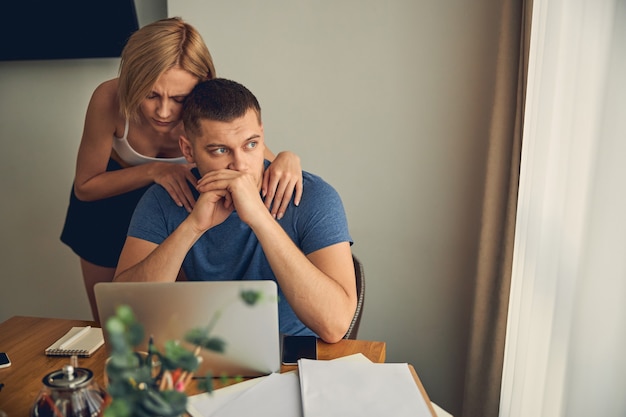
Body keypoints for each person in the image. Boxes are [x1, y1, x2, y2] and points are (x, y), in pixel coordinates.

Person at [60, 18, 303, 322]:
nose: (164, 112)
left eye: (178, 99)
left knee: (170, 319)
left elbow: (253, 156)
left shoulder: (206, 108)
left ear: (201, 85)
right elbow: (85, 186)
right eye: (151, 95)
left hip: (170, 207)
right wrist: (154, 171)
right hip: (106, 203)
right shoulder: (108, 98)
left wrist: (289, 157)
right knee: (112, 321)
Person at [114, 78, 357, 343]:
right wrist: (193, 227)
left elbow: (335, 326)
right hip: (207, 354)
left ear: (262, 135)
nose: (240, 165)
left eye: (251, 145)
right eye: (220, 150)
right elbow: (124, 319)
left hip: (297, 357)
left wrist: (260, 219)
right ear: (188, 150)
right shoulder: (165, 198)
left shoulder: (312, 196)